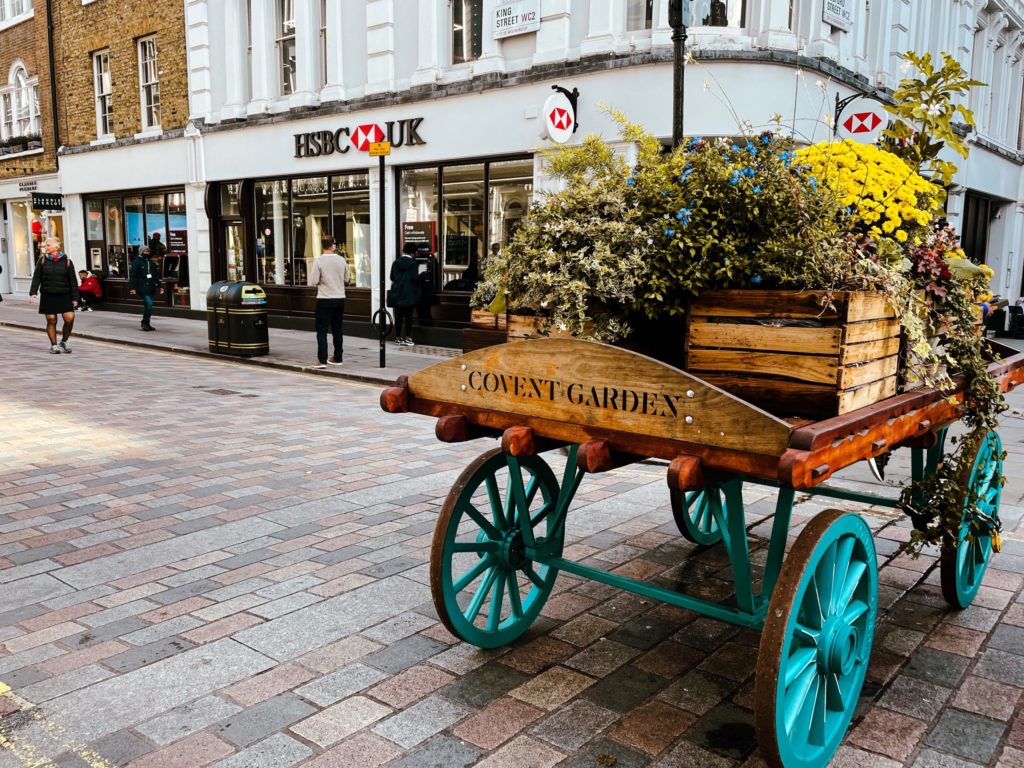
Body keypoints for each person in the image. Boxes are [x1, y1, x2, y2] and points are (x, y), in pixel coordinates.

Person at [29, 236, 78, 354]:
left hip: (64, 295)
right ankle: (54, 345)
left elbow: (73, 281)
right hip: (48, 294)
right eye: (46, 245)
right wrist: (33, 292)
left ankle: (64, 341)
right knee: (51, 319)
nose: (46, 247)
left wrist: (76, 298)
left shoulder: (67, 262)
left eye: (48, 245)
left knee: (69, 318)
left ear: (56, 247)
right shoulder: (42, 260)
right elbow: (37, 277)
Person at [307, 233, 349, 369]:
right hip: (340, 298)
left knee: (322, 331)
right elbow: (347, 279)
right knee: (337, 329)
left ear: (323, 246)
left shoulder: (319, 261)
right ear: (333, 245)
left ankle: (322, 360)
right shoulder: (342, 260)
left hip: (324, 299)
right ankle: (338, 357)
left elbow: (313, 281)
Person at [390, 241, 422, 346]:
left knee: (398, 317)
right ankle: (408, 338)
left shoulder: (396, 262)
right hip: (409, 294)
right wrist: (423, 275)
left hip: (397, 294)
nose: (417, 253)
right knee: (408, 317)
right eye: (416, 252)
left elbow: (392, 277)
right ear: (412, 253)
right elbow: (414, 278)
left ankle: (398, 338)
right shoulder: (413, 264)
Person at [129, 246, 164, 331]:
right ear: (141, 252)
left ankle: (147, 323)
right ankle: (144, 322)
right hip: (142, 287)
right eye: (145, 251)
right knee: (149, 303)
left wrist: (160, 286)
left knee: (149, 305)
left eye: (148, 251)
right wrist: (132, 288)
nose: (147, 253)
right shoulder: (137, 261)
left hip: (151, 287)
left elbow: (155, 276)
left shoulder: (151, 262)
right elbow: (133, 275)